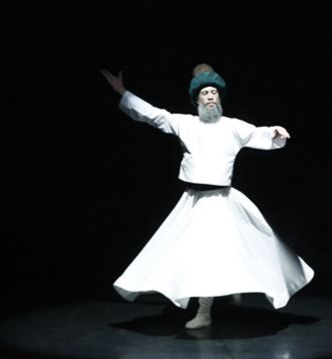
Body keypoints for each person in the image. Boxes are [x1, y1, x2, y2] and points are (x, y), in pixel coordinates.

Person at [100, 64, 314, 329]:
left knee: (217, 250)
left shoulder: (232, 126)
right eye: (205, 93)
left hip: (220, 200)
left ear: (219, 97)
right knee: (189, 252)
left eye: (214, 92)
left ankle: (205, 311)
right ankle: (218, 295)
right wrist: (123, 92)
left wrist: (275, 131)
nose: (210, 96)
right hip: (193, 199)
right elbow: (154, 115)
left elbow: (259, 133)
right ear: (197, 99)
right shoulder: (185, 124)